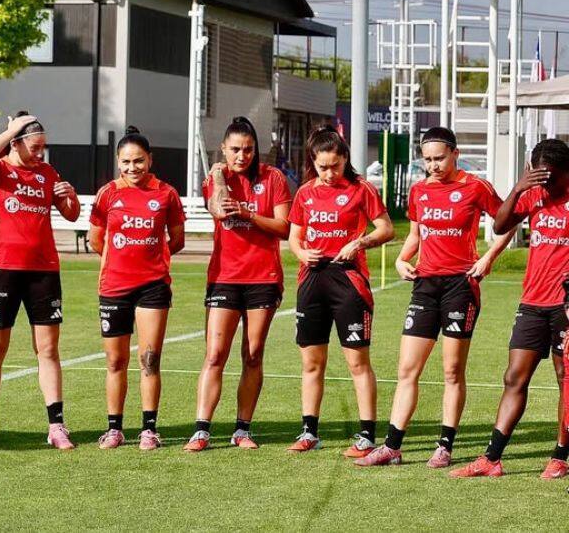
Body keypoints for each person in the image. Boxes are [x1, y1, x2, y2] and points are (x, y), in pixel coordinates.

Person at [356, 127, 512, 469]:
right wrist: (401, 260)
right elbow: (416, 235)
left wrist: (488, 258)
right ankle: (392, 447)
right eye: (427, 160)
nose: (433, 166)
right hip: (425, 286)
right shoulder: (420, 191)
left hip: (461, 286)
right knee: (407, 369)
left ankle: (445, 446)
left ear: (455, 154)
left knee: (452, 370)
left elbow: (508, 221)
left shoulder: (476, 186)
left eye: (439, 158)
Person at [451, 139, 569, 479]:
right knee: (514, 377)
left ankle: (560, 456)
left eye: (552, 178)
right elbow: (500, 226)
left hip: (564, 307)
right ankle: (491, 458)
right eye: (540, 177)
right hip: (532, 302)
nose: (546, 185)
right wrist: (519, 188)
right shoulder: (533, 194)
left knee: (565, 380)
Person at [0, 112, 81, 450]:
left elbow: (71, 214)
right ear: (16, 143)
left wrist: (70, 196)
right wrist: (11, 130)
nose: (40, 153)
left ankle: (56, 426)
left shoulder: (47, 173)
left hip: (43, 271)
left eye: (44, 147)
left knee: (47, 349)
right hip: (2, 268)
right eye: (34, 147)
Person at [286, 126, 394, 456]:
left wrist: (360, 243)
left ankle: (367, 436)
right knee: (311, 362)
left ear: (345, 158)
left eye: (335, 165)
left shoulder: (361, 188)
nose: (329, 173)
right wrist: (302, 253)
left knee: (357, 362)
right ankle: (309, 432)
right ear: (313, 162)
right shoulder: (305, 193)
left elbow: (386, 229)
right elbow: (294, 237)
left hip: (348, 281)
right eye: (322, 167)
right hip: (312, 280)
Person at [188, 117, 291, 451]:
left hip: (263, 277)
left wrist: (249, 215)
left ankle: (242, 429)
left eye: (248, 149)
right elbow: (219, 210)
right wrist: (219, 176)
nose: (241, 156)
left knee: (253, 354)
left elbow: (284, 228)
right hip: (224, 278)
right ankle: (201, 430)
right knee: (214, 354)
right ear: (223, 149)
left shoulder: (272, 178)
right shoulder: (217, 178)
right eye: (234, 149)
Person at [87, 126, 185, 451]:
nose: (133, 168)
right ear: (118, 162)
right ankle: (114, 429)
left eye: (139, 161)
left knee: (149, 360)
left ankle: (149, 430)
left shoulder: (166, 193)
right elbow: (96, 240)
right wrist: (120, 261)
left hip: (153, 288)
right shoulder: (107, 194)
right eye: (126, 162)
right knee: (115, 362)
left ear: (150, 159)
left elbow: (177, 239)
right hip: (114, 287)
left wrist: (151, 258)